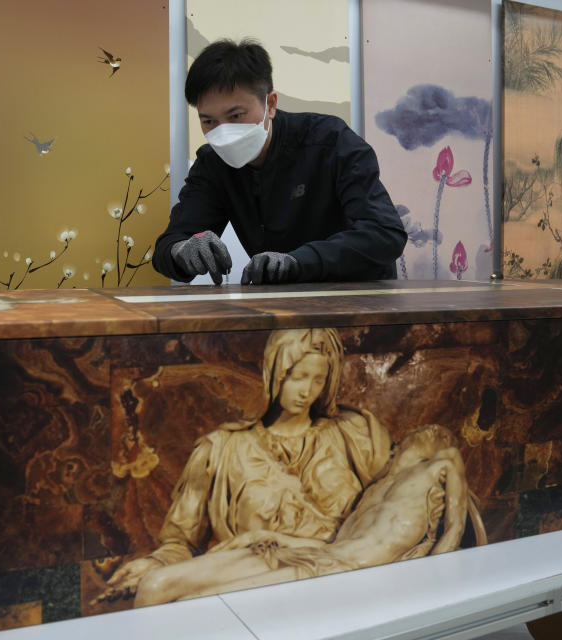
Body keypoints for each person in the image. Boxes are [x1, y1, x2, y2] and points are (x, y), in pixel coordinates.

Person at [97, 328, 391, 603]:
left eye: (318, 380)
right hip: (257, 569)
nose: (307, 391)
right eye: (298, 377)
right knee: (158, 588)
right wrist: (156, 561)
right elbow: (181, 541)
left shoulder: (354, 434)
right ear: (275, 374)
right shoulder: (221, 448)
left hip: (343, 566)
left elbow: (392, 505)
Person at [133, 424, 488, 606]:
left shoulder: (443, 463)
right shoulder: (372, 494)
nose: (393, 448)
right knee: (154, 585)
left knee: (192, 606)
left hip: (343, 574)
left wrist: (438, 596)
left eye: (401, 443)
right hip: (317, 556)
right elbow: (333, 543)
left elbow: (455, 530)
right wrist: (263, 536)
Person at [152, 39, 407, 285]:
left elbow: (385, 233)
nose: (223, 132)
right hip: (279, 307)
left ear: (270, 104)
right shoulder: (212, 164)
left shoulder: (330, 141)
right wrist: (182, 250)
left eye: (236, 116)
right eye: (208, 121)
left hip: (360, 301)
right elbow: (169, 244)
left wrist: (298, 261)